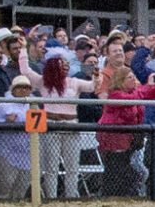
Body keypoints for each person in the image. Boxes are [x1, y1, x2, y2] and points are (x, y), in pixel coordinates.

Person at [19, 47, 97, 198]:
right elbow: (26, 71)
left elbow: (93, 87)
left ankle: (71, 196)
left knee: (72, 166)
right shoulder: (44, 82)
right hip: (51, 126)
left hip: (71, 126)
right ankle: (51, 197)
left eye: (67, 64)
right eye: (62, 64)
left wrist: (96, 74)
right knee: (51, 166)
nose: (66, 67)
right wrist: (23, 50)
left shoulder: (74, 82)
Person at [97, 67, 155, 197]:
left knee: (124, 164)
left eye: (133, 77)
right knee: (115, 165)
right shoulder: (115, 94)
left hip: (128, 136)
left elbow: (147, 94)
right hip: (113, 135)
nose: (133, 80)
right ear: (120, 80)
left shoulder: (135, 92)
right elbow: (135, 97)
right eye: (130, 77)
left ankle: (122, 193)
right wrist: (148, 85)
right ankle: (110, 193)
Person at [0, 76, 35, 200]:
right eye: (20, 87)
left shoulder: (34, 104)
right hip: (5, 152)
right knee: (4, 185)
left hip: (27, 153)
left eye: (26, 88)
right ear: (13, 89)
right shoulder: (2, 104)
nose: (23, 90)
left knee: (22, 186)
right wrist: (5, 121)